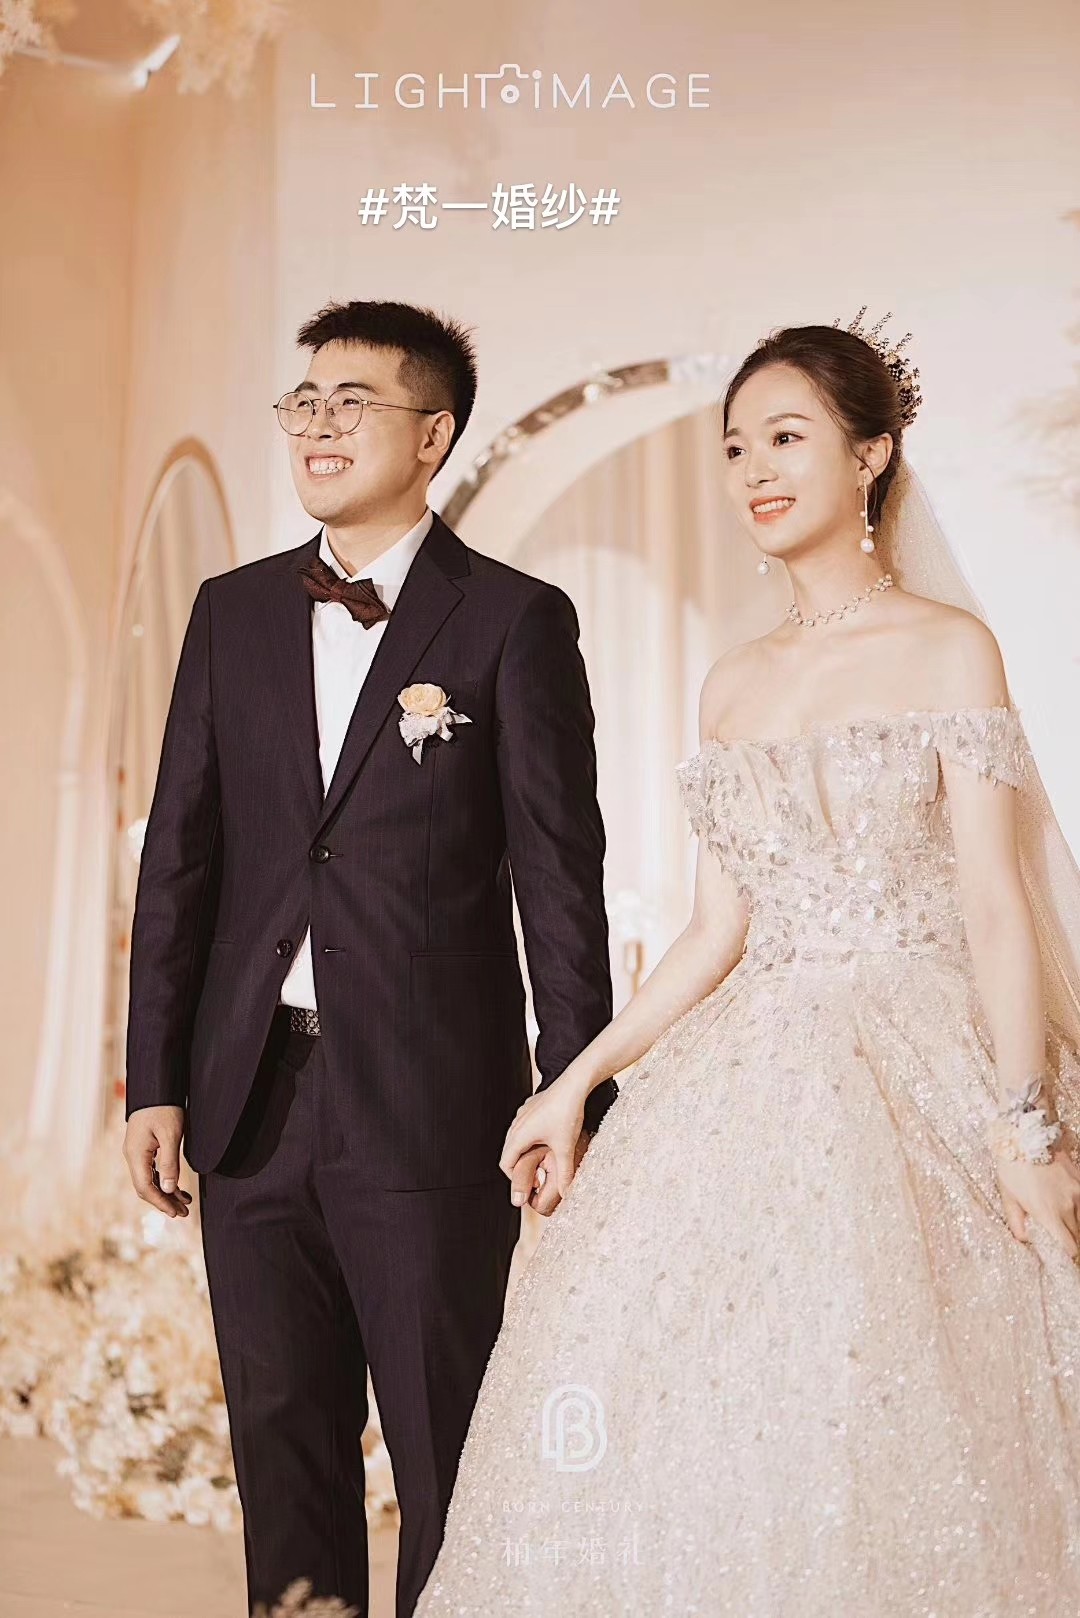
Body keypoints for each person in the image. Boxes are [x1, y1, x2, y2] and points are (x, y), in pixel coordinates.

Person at [413, 317, 1080, 1616]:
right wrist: (576, 1082)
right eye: (734, 448)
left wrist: (1025, 1126)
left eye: (786, 437)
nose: (754, 470)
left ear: (871, 454)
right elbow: (717, 932)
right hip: (749, 1071)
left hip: (919, 1060)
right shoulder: (733, 682)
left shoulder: (950, 646)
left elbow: (997, 906)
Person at [121, 298, 619, 1618]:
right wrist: (153, 1079)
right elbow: (181, 860)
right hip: (251, 1100)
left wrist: (573, 1092)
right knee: (282, 1449)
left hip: (430, 1105)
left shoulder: (512, 620)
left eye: (353, 401)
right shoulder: (231, 613)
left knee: (448, 1450)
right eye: (305, 401)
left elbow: (560, 881)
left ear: (433, 433)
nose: (319, 424)